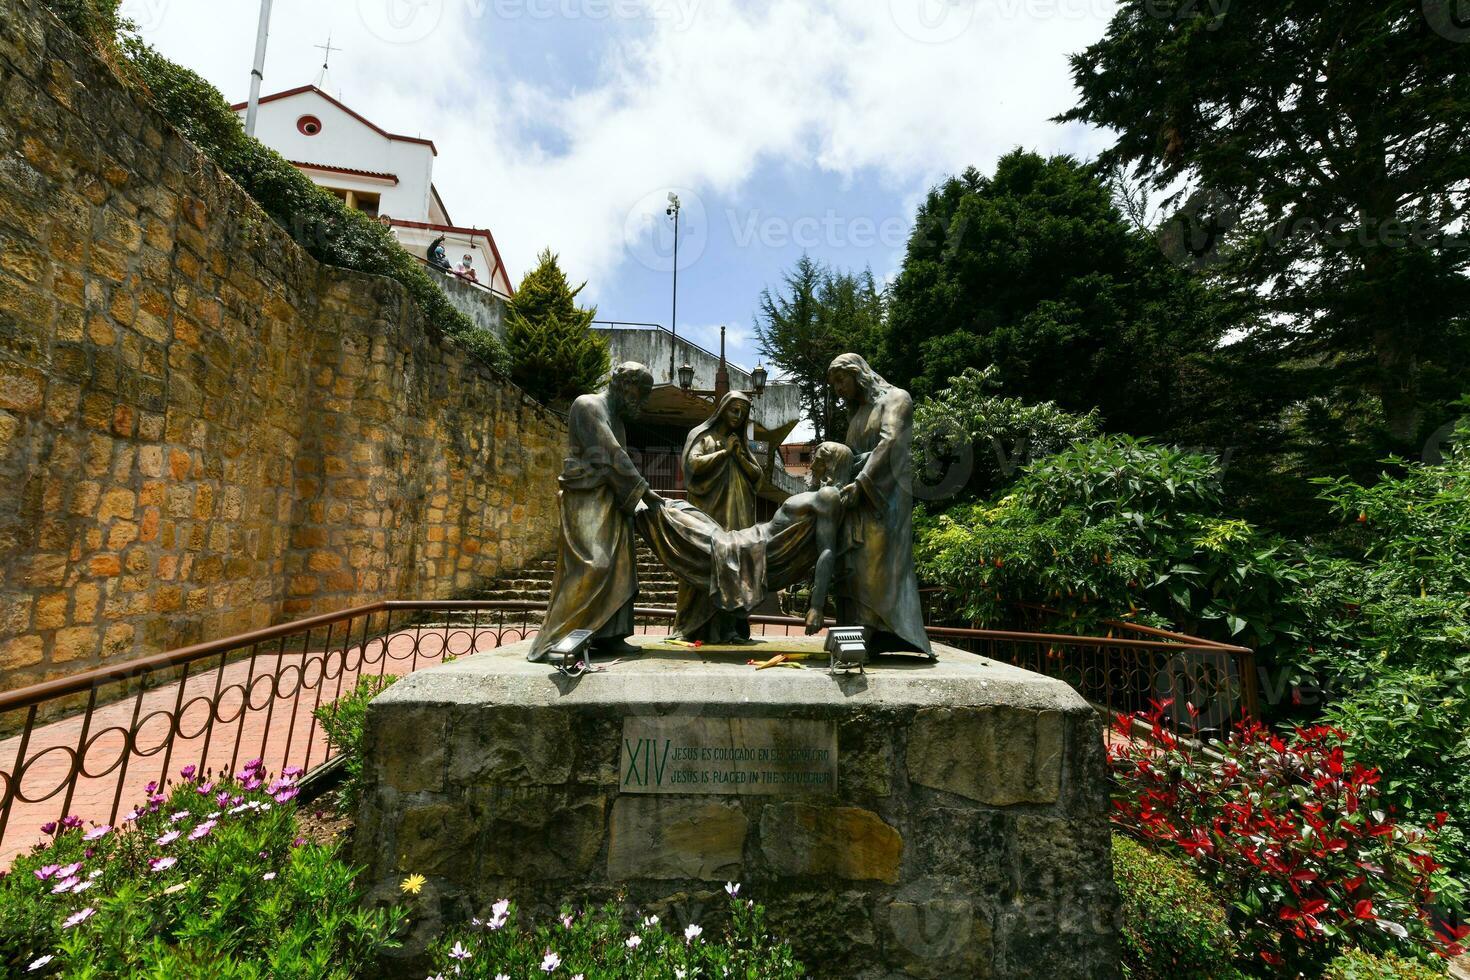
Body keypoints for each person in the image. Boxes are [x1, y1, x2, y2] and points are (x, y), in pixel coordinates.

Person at [641, 441, 853, 637]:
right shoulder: (820, 494)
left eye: (817, 459)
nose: (812, 463)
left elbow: (827, 551)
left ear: (829, 465)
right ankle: (648, 507)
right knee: (684, 511)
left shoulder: (828, 496)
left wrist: (816, 607)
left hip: (751, 548)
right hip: (748, 539)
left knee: (680, 522)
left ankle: (643, 511)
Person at [529, 363, 661, 662]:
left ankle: (610, 636)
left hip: (612, 502)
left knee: (622, 570)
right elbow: (611, 454)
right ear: (627, 385)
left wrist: (635, 499)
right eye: (643, 393)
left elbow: (618, 461)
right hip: (586, 499)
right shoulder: (587, 405)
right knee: (593, 565)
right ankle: (557, 640)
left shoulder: (619, 419)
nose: (644, 401)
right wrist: (644, 490)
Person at [826, 353, 934, 657]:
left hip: (883, 499)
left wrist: (861, 482)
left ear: (857, 374)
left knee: (874, 566)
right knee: (852, 566)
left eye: (840, 380)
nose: (838, 389)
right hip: (855, 498)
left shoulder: (897, 398)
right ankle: (854, 636)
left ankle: (869, 634)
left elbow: (889, 442)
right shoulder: (858, 411)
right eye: (834, 384)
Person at [674, 391, 763, 642]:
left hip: (737, 518)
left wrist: (738, 455)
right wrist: (725, 453)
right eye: (734, 410)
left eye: (743, 414)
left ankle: (730, 629)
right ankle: (692, 626)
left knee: (734, 566)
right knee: (704, 564)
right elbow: (692, 465)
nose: (738, 416)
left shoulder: (740, 443)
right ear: (723, 409)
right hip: (709, 515)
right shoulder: (705, 437)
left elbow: (757, 476)